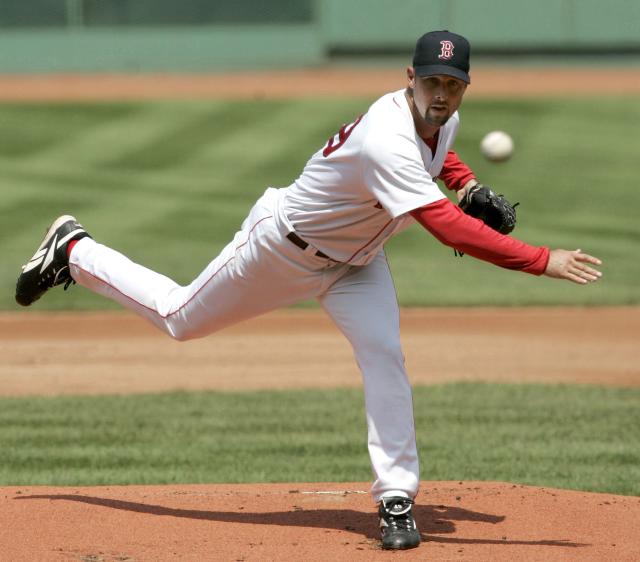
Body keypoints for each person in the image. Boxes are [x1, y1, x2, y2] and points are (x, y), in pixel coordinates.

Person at [15, 30, 602, 550]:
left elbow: (442, 155)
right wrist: (541, 260)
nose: (442, 93)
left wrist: (468, 184)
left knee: (385, 356)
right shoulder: (385, 135)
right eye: (431, 81)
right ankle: (74, 250)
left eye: (453, 83)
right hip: (282, 249)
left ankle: (396, 496)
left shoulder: (442, 118)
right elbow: (444, 227)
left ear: (465, 87)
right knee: (179, 318)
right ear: (409, 78)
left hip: (359, 262)